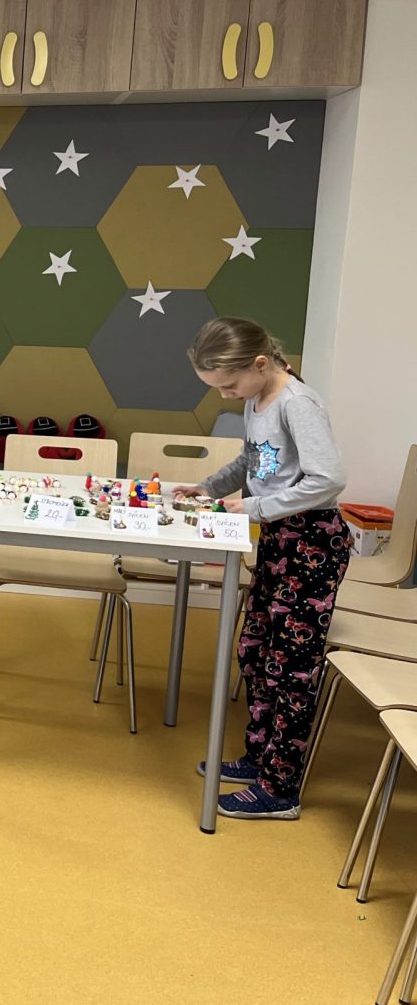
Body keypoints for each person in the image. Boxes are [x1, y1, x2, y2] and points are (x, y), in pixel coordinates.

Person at [173, 317, 350, 821]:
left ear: (259, 363)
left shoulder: (298, 403)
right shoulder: (257, 399)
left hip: (312, 543)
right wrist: (208, 488)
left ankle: (280, 789)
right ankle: (259, 757)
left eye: (229, 385)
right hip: (279, 537)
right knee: (255, 652)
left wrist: (252, 508)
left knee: (291, 667)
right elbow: (252, 462)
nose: (226, 395)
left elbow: (328, 479)